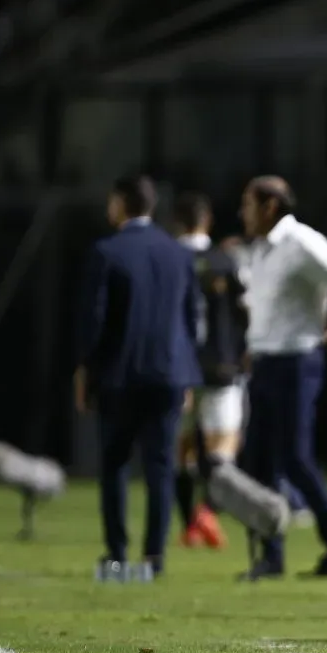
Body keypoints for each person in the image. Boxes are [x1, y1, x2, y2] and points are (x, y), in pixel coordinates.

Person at [236, 174, 327, 581]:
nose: (242, 212)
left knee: (294, 459)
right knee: (259, 464)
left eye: (248, 203)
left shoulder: (302, 243)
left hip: (296, 362)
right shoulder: (262, 250)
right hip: (265, 363)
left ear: (270, 206)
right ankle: (271, 556)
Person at [74, 175, 201, 576]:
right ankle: (155, 555)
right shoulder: (177, 254)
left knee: (114, 464)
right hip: (168, 374)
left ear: (121, 203)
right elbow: (191, 320)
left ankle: (116, 552)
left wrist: (85, 369)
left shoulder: (107, 251)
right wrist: (188, 375)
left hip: (120, 375)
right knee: (160, 466)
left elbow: (95, 321)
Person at [171, 191, 248, 550]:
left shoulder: (167, 258)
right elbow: (244, 309)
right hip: (220, 364)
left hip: (177, 367)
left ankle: (189, 522)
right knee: (225, 446)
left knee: (183, 451)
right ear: (207, 221)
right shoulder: (224, 260)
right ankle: (206, 511)